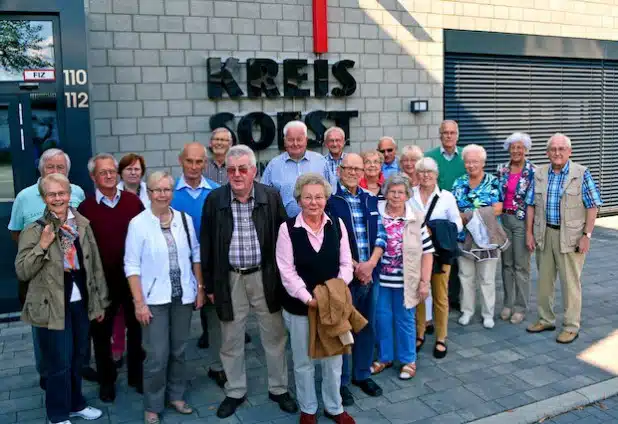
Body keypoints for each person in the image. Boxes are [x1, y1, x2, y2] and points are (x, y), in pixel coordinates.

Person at [201, 145, 297, 418]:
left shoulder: (270, 196)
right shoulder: (215, 200)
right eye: (231, 170)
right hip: (229, 278)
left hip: (265, 277)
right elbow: (206, 244)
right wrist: (208, 285)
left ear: (254, 171)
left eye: (243, 169)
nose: (237, 174)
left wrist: (286, 279)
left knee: (275, 335)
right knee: (230, 338)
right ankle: (235, 391)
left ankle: (278, 389)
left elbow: (284, 240)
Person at [16, 173, 107, 424]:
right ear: (44, 198)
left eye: (62, 193)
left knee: (79, 357)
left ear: (70, 195)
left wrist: (99, 301)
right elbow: (22, 270)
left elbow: (94, 264)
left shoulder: (82, 224)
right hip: (51, 303)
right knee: (59, 363)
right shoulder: (35, 230)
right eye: (52, 194)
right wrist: (42, 245)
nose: (58, 198)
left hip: (80, 298)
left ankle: (76, 403)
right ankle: (57, 414)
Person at [124, 171, 205, 424]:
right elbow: (131, 265)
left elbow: (196, 255)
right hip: (153, 301)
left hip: (182, 297)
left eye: (167, 189)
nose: (162, 194)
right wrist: (139, 302)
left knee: (179, 350)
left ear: (172, 192)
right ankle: (153, 404)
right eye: (157, 190)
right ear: (149, 193)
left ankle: (176, 395)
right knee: (157, 356)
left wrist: (200, 287)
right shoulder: (138, 223)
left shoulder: (184, 219)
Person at [276, 173, 355, 424]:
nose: (314, 202)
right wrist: (308, 298)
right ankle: (308, 409)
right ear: (299, 200)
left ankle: (334, 407)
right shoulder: (287, 229)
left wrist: (335, 293)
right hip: (301, 307)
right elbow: (286, 271)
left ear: (326, 198)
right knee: (303, 361)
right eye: (308, 197)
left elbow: (346, 264)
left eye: (319, 197)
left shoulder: (337, 224)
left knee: (333, 360)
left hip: (333, 305)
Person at [8, 148, 87, 388]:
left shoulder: (77, 193)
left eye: (60, 168)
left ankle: (72, 378)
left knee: (74, 334)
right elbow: (16, 233)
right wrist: (38, 250)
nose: (54, 171)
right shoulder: (24, 196)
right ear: (41, 170)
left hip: (72, 278)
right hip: (40, 276)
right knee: (43, 333)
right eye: (49, 167)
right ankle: (47, 375)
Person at [78, 153, 145, 402]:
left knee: (136, 331)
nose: (108, 175)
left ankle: (137, 377)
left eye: (111, 171)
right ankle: (107, 381)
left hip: (131, 278)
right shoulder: (85, 209)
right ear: (93, 177)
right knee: (101, 335)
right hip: (101, 282)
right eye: (102, 172)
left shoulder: (132, 202)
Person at [525, 133, 602, 344]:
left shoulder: (581, 173)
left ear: (570, 152)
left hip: (571, 236)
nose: (557, 153)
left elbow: (592, 206)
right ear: (547, 152)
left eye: (561, 149)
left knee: (570, 283)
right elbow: (531, 204)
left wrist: (587, 235)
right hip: (545, 234)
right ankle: (546, 318)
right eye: (553, 149)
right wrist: (529, 233)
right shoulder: (539, 173)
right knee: (544, 282)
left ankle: (571, 326)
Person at [326, 153, 387, 406]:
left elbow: (381, 235)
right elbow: (330, 240)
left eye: (356, 168)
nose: (352, 172)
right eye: (348, 168)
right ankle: (340, 383)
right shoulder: (331, 201)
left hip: (370, 274)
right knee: (343, 329)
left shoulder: (370, 199)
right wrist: (355, 266)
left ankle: (362, 374)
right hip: (345, 277)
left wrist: (370, 264)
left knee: (366, 325)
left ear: (363, 172)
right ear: (340, 170)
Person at [371, 175, 434, 380]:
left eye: (401, 192)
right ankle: (385, 357)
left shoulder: (415, 217)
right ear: (385, 193)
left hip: (406, 280)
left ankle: (409, 360)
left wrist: (425, 282)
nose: (396, 196)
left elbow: (427, 252)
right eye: (392, 191)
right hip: (380, 279)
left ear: (407, 195)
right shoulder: (376, 213)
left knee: (405, 320)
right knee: (381, 318)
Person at [168, 143, 222, 376]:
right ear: (181, 161)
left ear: (206, 164)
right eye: (189, 161)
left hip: (209, 266)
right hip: (176, 267)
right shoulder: (168, 193)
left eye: (199, 161)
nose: (194, 166)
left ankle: (218, 367)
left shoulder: (216, 191)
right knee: (175, 324)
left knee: (216, 321)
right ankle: (174, 373)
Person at [410, 157, 463, 358]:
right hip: (417, 253)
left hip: (441, 253)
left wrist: (436, 230)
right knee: (420, 294)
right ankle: (420, 332)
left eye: (429, 172)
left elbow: (457, 223)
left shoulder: (446, 197)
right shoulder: (410, 195)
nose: (425, 176)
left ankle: (441, 337)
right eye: (421, 172)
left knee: (440, 296)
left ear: (436, 175)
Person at [452, 144, 503, 329]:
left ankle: (488, 314)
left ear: (483, 162)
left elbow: (499, 208)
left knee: (487, 278)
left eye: (475, 161)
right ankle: (467, 311)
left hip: (487, 238)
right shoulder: (458, 182)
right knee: (465, 276)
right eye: (468, 161)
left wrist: (472, 215)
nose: (471, 165)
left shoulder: (493, 181)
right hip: (464, 237)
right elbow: (454, 209)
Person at [425, 120, 467, 313]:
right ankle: (435, 299)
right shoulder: (430, 157)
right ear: (440, 135)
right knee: (438, 257)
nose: (449, 136)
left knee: (458, 259)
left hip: (461, 215)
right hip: (437, 216)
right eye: (445, 133)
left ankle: (455, 298)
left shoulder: (465, 157)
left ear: (457, 135)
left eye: (452, 132)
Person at [496, 133, 535, 325]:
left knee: (521, 266)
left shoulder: (533, 172)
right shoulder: (502, 170)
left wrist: (529, 232)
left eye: (520, 147)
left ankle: (520, 307)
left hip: (522, 222)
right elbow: (497, 197)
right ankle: (507, 304)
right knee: (506, 265)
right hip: (504, 220)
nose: (516, 151)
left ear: (526, 149)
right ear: (509, 149)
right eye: (513, 147)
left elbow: (533, 204)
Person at [115, 153, 149, 368]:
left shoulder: (148, 191)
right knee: (120, 308)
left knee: (141, 302)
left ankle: (140, 347)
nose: (133, 172)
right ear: (121, 172)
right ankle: (117, 348)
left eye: (137, 169)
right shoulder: (114, 193)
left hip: (144, 258)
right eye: (129, 169)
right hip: (120, 256)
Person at [261, 121, 329, 217]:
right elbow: (263, 196)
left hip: (318, 224)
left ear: (306, 140)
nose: (295, 143)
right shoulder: (274, 165)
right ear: (284, 141)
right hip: (284, 225)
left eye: (299, 139)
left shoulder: (321, 162)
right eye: (291, 140)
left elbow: (331, 192)